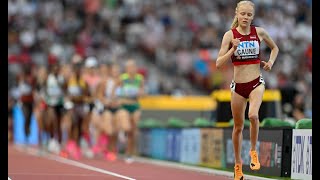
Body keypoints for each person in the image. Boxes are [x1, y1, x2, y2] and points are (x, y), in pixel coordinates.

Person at [216, 1, 279, 179]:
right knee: (237, 127)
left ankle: (253, 151)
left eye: (249, 14)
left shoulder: (259, 32)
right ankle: (238, 165)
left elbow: (275, 48)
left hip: (256, 83)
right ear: (237, 13)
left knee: (253, 115)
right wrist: (232, 50)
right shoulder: (230, 35)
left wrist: (271, 63)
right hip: (238, 87)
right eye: (243, 14)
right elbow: (218, 63)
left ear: (253, 16)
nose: (245, 17)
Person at [118, 59, 145, 163]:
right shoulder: (122, 79)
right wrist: (119, 98)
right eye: (129, 67)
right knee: (127, 128)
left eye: (133, 67)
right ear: (126, 69)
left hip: (135, 105)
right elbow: (115, 91)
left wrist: (141, 93)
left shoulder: (140, 79)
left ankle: (129, 153)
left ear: (136, 68)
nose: (131, 69)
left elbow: (143, 92)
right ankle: (122, 132)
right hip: (124, 106)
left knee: (133, 131)